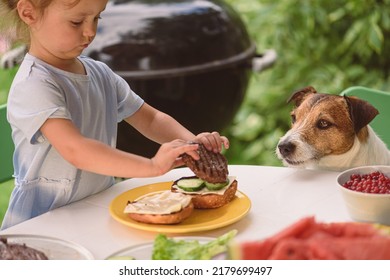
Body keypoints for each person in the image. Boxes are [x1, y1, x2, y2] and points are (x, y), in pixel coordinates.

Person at [0, 0, 229, 229]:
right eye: (77, 21)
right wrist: (151, 166)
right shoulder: (34, 85)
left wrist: (192, 144)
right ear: (29, 13)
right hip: (45, 222)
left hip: (96, 209)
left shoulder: (100, 74)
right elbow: (75, 150)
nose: (90, 32)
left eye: (96, 18)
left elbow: (150, 119)